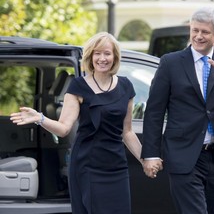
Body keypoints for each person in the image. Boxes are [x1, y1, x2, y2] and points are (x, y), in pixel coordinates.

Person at [10, 32, 145, 214]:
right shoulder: (78, 87)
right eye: (97, 53)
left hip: (117, 166)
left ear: (115, 57)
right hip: (89, 165)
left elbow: (127, 132)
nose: (102, 58)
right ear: (90, 56)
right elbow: (64, 129)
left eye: (107, 53)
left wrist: (145, 160)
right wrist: (40, 118)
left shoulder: (126, 86)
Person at [141, 7, 214, 214]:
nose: (198, 36)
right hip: (183, 155)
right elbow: (154, 112)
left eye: (205, 32)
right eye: (195, 30)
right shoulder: (170, 63)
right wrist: (150, 154)